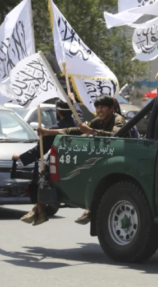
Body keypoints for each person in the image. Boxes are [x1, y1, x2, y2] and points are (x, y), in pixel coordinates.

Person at [38, 95, 126, 224]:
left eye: (103, 107)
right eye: (97, 107)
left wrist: (92, 132)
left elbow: (115, 135)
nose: (99, 110)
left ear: (111, 108)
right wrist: (48, 132)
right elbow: (76, 130)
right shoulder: (98, 121)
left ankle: (91, 211)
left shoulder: (118, 119)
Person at [12, 95, 84, 226]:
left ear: (58, 112)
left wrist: (20, 158)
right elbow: (78, 112)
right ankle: (36, 211)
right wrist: (73, 101)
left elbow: (39, 151)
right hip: (79, 163)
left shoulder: (53, 130)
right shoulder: (80, 122)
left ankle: (40, 211)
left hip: (60, 165)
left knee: (39, 178)